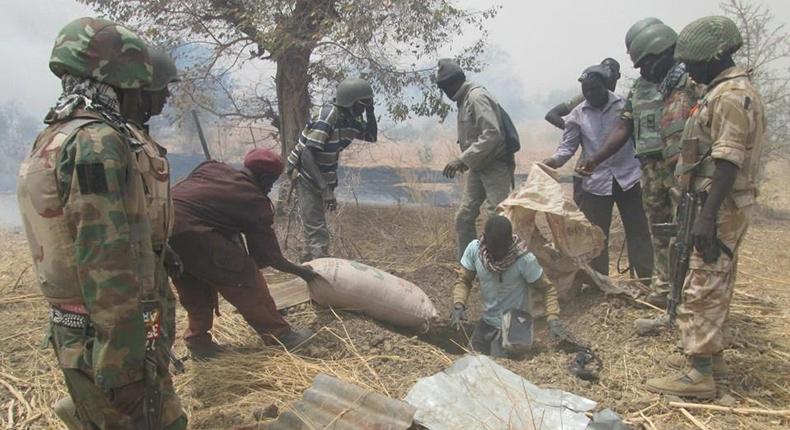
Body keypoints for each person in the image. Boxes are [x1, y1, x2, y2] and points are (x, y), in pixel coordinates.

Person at [16, 17, 187, 429]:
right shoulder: (97, 142)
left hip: (83, 329)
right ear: (121, 84)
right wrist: (123, 364)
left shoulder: (56, 135)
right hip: (108, 334)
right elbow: (105, 256)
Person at [645, 16, 765, 400]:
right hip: (713, 200)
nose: (690, 71)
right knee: (711, 280)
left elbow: (728, 160)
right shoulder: (723, 90)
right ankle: (712, 362)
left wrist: (707, 217)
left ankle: (699, 373)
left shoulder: (729, 96)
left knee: (702, 283)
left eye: (694, 64)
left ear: (713, 58)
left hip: (718, 203)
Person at [579, 19, 702, 307]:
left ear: (662, 52)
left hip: (684, 169)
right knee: (658, 229)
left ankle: (687, 293)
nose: (643, 71)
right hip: (650, 170)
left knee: (685, 228)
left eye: (646, 64)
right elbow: (624, 128)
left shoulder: (692, 82)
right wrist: (596, 158)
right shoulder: (640, 89)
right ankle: (660, 290)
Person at [170, 148, 316, 359]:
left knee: (194, 285)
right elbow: (271, 257)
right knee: (245, 276)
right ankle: (280, 335)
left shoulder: (212, 167)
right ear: (264, 177)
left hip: (164, 230)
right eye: (271, 181)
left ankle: (198, 342)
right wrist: (302, 272)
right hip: (196, 234)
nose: (270, 187)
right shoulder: (254, 200)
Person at [544, 65, 654, 279]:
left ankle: (646, 279)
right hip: (595, 183)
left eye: (595, 89)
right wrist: (555, 160)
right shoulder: (577, 114)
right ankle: (598, 281)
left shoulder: (624, 106)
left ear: (606, 86)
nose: (590, 95)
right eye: (586, 91)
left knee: (638, 230)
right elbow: (568, 146)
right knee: (595, 235)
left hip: (628, 178)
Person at [286, 78, 377, 261]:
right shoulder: (328, 117)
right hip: (306, 174)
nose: (365, 107)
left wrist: (370, 111)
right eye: (363, 104)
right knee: (317, 231)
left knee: (313, 227)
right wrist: (325, 190)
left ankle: (308, 263)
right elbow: (306, 155)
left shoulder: (350, 119)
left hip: (322, 175)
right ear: (350, 102)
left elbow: (371, 135)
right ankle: (321, 273)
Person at [449, 216, 565, 358]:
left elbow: (547, 289)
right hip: (487, 321)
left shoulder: (524, 259)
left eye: (502, 250)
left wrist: (553, 319)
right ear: (485, 239)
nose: (498, 255)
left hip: (515, 327)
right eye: (494, 249)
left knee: (501, 367)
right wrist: (458, 305)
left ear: (510, 242)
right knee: (469, 359)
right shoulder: (474, 250)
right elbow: (464, 280)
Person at [437, 58, 513, 260]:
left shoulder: (476, 97)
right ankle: (468, 267)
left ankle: (503, 265)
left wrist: (462, 159)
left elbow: (492, 134)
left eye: (445, 87)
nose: (445, 93)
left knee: (498, 218)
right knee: (464, 217)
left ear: (453, 83)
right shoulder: (464, 100)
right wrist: (468, 161)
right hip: (479, 167)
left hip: (495, 166)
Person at [544, 58, 622, 207]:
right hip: (591, 175)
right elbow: (552, 115)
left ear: (617, 76)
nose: (591, 94)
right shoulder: (583, 100)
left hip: (623, 176)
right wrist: (580, 133)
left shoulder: (623, 104)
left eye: (611, 73)